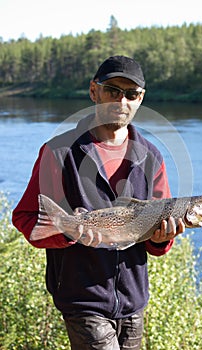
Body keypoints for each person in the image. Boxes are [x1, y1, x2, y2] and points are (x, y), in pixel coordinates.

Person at [12, 55, 185, 350]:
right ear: (94, 91)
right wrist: (68, 232)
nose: (122, 101)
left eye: (131, 94)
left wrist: (162, 239)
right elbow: (26, 218)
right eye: (113, 90)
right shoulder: (59, 153)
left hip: (133, 300)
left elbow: (158, 240)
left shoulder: (152, 156)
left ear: (141, 99)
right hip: (82, 298)